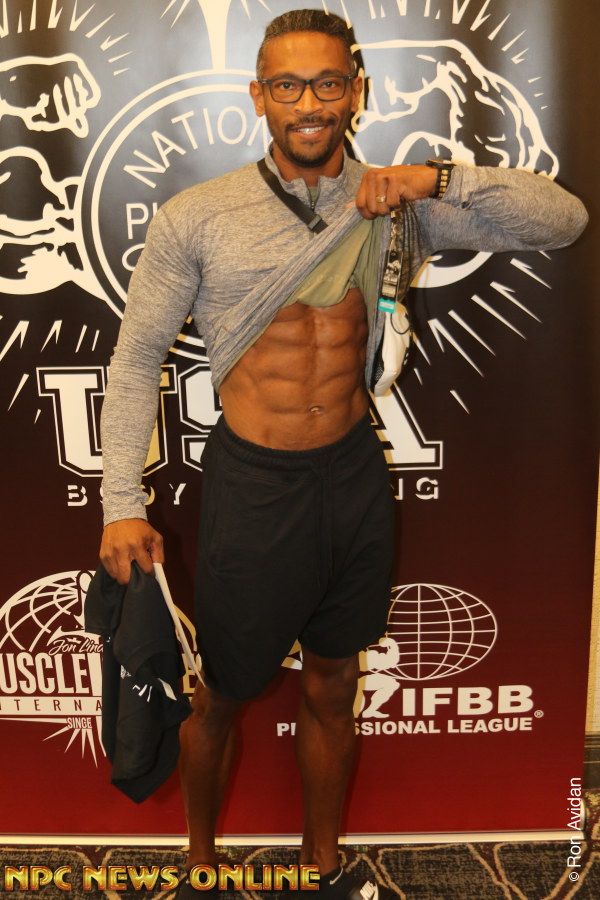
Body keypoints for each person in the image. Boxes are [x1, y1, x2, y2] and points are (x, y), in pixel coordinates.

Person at [98, 9, 588, 898]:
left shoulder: (394, 206)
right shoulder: (198, 217)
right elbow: (135, 361)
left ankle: (321, 862)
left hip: (351, 476)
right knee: (223, 692)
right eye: (288, 85)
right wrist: (120, 503)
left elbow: (563, 220)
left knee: (334, 682)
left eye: (328, 83)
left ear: (355, 91)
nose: (309, 104)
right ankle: (200, 863)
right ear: (258, 96)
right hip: (254, 483)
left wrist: (436, 177)